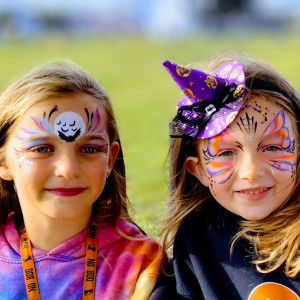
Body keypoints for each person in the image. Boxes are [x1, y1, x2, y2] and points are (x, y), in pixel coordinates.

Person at [0, 60, 161, 300]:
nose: (68, 169)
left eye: (89, 149)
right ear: (3, 161)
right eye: (42, 149)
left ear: (110, 159)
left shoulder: (143, 264)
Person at [150, 52, 300, 299]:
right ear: (197, 170)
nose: (251, 171)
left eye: (272, 147)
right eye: (227, 152)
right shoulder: (196, 239)